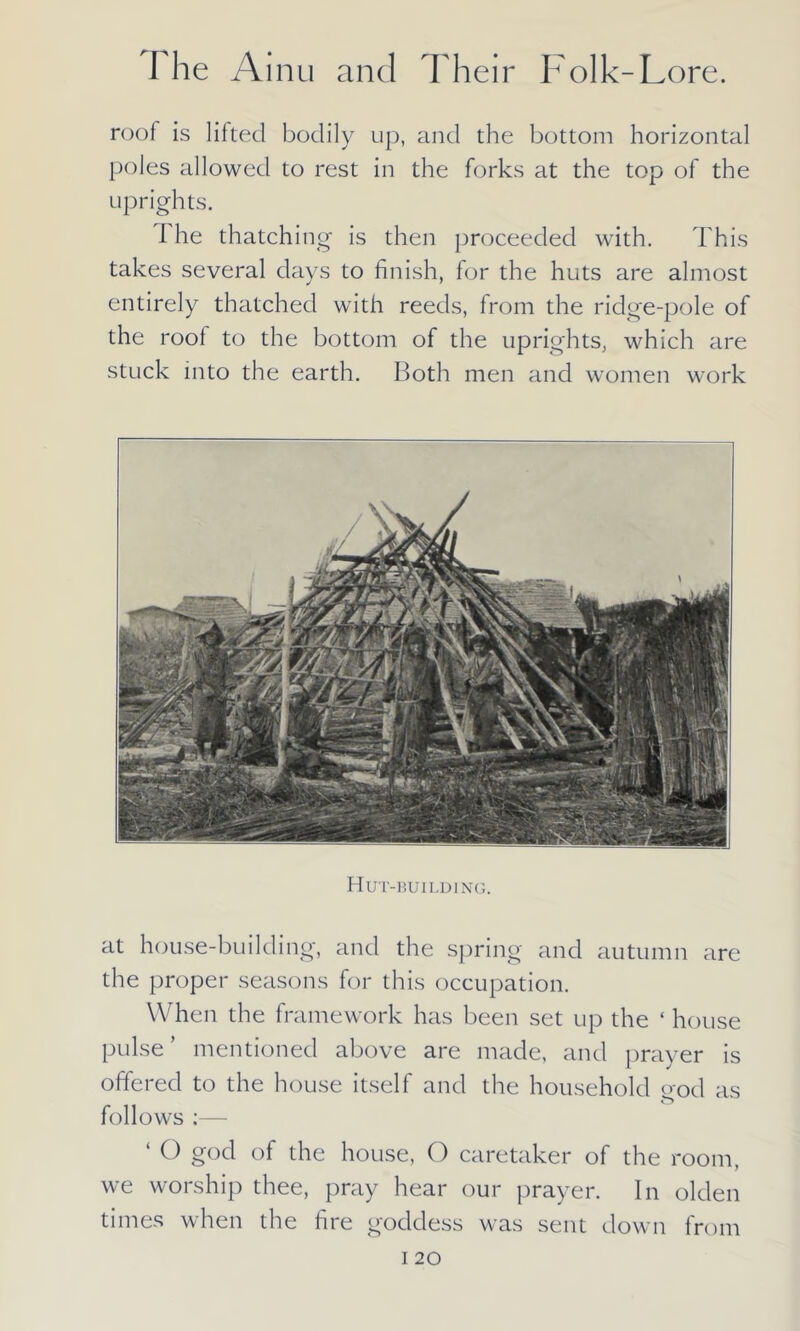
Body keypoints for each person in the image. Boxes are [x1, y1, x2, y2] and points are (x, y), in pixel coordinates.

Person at [383, 626, 440, 770]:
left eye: (419, 644)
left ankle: (417, 764)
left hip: (421, 707)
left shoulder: (430, 664)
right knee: (400, 735)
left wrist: (435, 707)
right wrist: (390, 697)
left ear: (424, 645)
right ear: (408, 646)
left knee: (420, 735)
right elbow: (391, 683)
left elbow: (435, 685)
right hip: (403, 707)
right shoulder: (400, 663)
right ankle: (398, 763)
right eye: (413, 644)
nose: (417, 648)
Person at [188, 620, 234, 760]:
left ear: (217, 637)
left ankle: (213, 754)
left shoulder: (223, 654)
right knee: (200, 723)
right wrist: (203, 686)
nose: (211, 637)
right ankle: (200, 753)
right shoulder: (196, 653)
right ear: (203, 637)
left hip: (218, 693)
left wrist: (226, 691)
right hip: (202, 692)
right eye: (208, 635)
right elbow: (194, 673)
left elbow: (228, 674)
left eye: (213, 635)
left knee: (217, 725)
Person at [463, 631, 504, 752]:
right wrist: (469, 680)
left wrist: (486, 682)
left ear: (486, 646)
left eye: (481, 646)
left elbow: (497, 675)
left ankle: (483, 746)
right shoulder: (472, 660)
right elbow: (465, 672)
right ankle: (472, 743)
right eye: (476, 646)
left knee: (485, 720)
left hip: (487, 694)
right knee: (471, 720)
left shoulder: (493, 659)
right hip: (474, 694)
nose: (479, 649)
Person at [229, 677, 276, 763]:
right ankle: (234, 755)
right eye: (247, 701)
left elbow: (269, 731)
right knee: (239, 733)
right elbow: (232, 720)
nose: (250, 704)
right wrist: (243, 727)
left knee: (247, 755)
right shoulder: (238, 708)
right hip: (241, 740)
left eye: (252, 700)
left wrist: (265, 747)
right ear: (243, 700)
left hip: (257, 742)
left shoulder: (265, 709)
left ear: (257, 699)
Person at [577, 629, 615, 733]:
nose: (598, 643)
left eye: (600, 640)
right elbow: (581, 669)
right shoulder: (587, 654)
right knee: (590, 711)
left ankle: (606, 731)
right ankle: (591, 731)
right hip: (591, 688)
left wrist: (610, 686)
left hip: (605, 688)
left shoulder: (611, 655)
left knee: (605, 711)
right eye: (596, 640)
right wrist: (587, 676)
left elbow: (614, 672)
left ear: (605, 641)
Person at [284, 683, 322, 776]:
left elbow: (315, 730)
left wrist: (303, 739)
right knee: (292, 756)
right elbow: (276, 733)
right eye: (292, 697)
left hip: (306, 745)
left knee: (312, 756)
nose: (295, 700)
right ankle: (298, 769)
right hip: (288, 747)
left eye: (298, 696)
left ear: (303, 697)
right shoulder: (282, 713)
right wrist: (289, 739)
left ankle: (308, 770)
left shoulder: (312, 712)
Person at [526, 621, 564, 713]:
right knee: (531, 708)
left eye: (538, 635)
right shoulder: (527, 649)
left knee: (544, 708)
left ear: (542, 635)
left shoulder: (550, 650)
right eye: (533, 636)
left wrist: (553, 680)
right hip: (532, 683)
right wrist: (531, 662)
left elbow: (556, 669)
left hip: (546, 685)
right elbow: (520, 666)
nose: (536, 638)